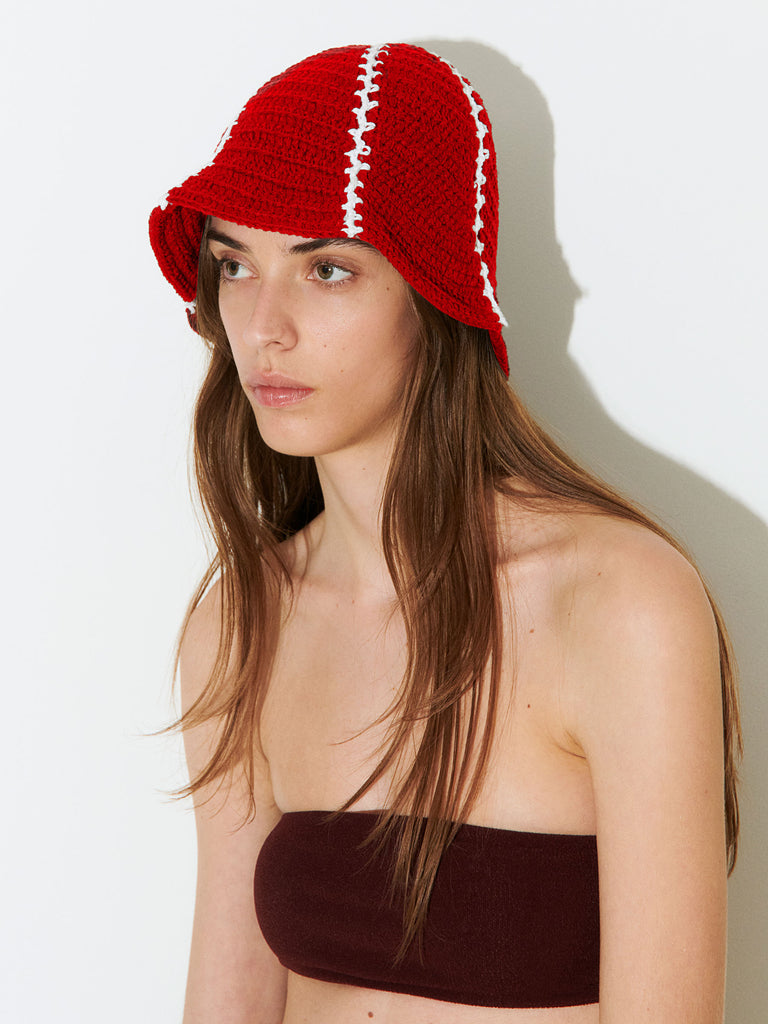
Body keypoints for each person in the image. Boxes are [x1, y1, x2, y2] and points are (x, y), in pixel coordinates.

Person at [149, 42, 741, 1024]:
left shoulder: (621, 604)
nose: (263, 327)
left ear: (437, 291)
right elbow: (231, 1001)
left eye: (326, 268)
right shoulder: (242, 621)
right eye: (234, 265)